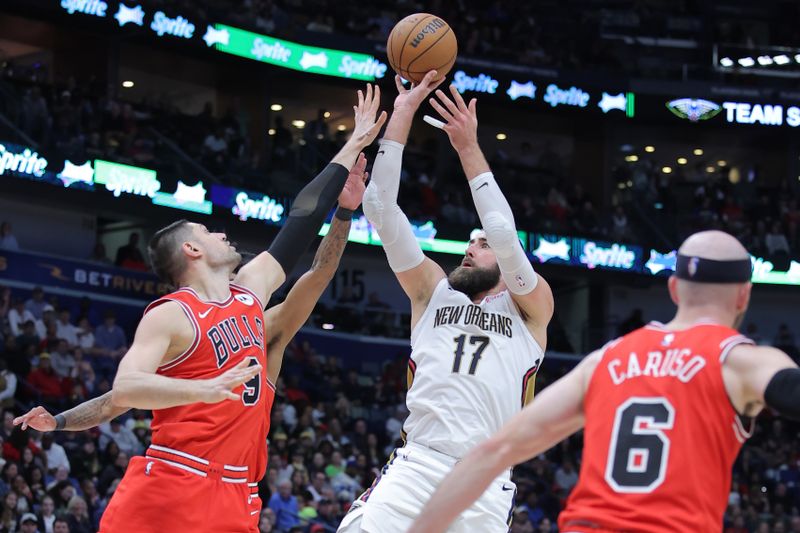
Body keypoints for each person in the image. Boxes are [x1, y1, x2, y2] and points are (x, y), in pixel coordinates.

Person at [13, 85, 384, 532]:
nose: (221, 233)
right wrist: (202, 391)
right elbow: (126, 389)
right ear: (191, 248)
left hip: (236, 495)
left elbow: (301, 222)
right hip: (173, 482)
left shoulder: (250, 293)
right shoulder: (172, 313)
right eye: (208, 230)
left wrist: (353, 149)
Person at [408, 230, 800, 533]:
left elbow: (493, 452)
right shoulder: (740, 360)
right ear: (744, 296)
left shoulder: (606, 359)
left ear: (674, 289)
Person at [338, 74, 554, 533]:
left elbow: (501, 232)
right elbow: (378, 205)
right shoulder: (432, 291)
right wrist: (403, 109)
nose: (469, 248)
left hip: (484, 483)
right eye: (468, 244)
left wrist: (467, 148)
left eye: (480, 245)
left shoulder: (531, 310)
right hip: (417, 466)